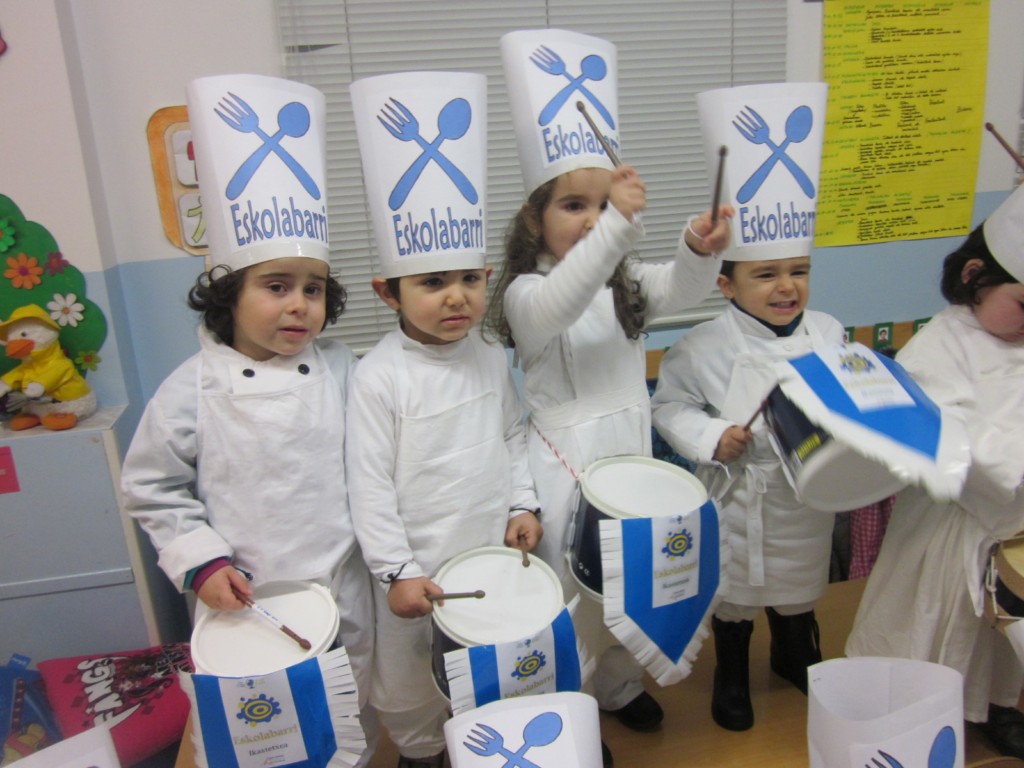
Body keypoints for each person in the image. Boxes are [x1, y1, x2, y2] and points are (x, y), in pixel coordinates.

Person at [122, 74, 377, 767]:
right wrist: (200, 562)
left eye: (313, 289)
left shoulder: (342, 368)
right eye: (276, 286)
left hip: (343, 590)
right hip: (244, 595)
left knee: (345, 718)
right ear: (229, 294)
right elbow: (150, 486)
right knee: (262, 734)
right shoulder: (192, 388)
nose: (299, 305)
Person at [346, 69, 542, 768]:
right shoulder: (378, 377)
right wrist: (396, 570)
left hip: (488, 554)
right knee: (413, 688)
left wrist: (522, 502)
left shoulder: (488, 355)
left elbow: (512, 434)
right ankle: (423, 754)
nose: (456, 297)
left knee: (485, 670)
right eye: (432, 282)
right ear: (388, 291)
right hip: (417, 573)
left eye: (469, 278)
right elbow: (368, 486)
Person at [845, 190, 1024, 758]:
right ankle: (918, 714)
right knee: (931, 629)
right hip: (951, 525)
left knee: (1000, 638)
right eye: (1023, 304)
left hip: (1014, 531)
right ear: (974, 277)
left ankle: (997, 707)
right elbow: (966, 444)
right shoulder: (936, 347)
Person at [651, 254, 845, 731]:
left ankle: (794, 650)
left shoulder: (828, 332)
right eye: (766, 275)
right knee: (735, 593)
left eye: (799, 272)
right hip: (739, 491)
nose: (787, 287)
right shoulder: (702, 345)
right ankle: (732, 671)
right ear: (727, 285)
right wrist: (712, 435)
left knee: (800, 582)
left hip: (804, 492)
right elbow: (669, 406)